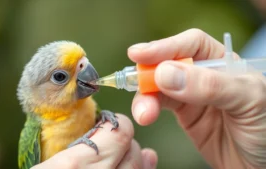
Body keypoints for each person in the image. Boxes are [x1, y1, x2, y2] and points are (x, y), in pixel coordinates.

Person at [32, 29, 266, 169]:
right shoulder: (33, 131)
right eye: (61, 77)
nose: (85, 69)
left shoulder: (88, 107)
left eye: (83, 62)